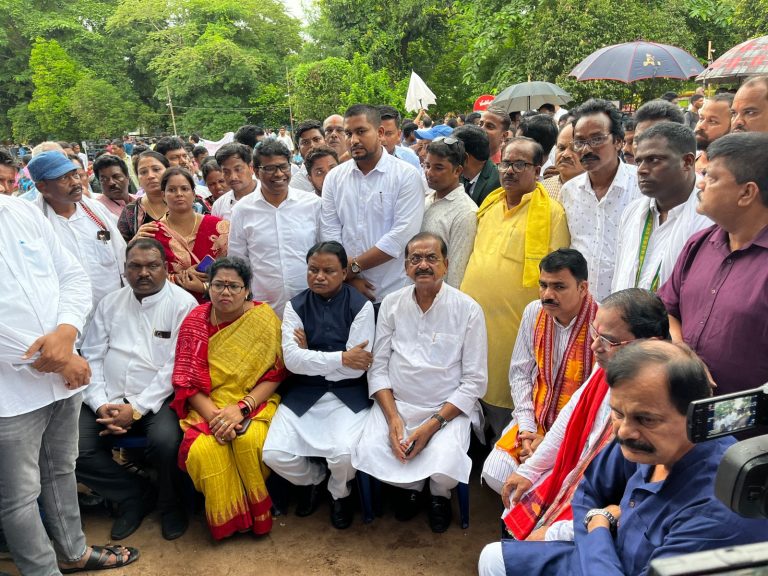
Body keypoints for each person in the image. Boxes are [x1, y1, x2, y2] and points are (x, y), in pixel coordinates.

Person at [478, 340, 768, 576]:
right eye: (617, 413)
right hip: (603, 555)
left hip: (604, 554)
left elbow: (592, 511)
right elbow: (587, 492)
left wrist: (599, 524)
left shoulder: (718, 512)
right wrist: (599, 525)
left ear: (697, 415)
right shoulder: (645, 440)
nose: (625, 431)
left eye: (646, 419)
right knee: (493, 558)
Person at [0, 193, 139, 574]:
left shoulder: (19, 211)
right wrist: (61, 358)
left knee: (62, 469)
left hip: (63, 379)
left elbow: (72, 275)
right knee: (19, 495)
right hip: (9, 393)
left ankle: (73, 552)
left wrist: (67, 330)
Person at [499, 289, 670, 542]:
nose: (594, 346)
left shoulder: (660, 403)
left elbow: (631, 507)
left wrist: (553, 532)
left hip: (606, 520)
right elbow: (570, 417)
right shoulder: (608, 368)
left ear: (649, 344)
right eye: (594, 333)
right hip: (578, 477)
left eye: (609, 341)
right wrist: (530, 471)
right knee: (515, 502)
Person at [352, 232, 488, 533]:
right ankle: (411, 489)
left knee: (445, 459)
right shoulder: (391, 304)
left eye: (431, 258)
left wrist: (431, 426)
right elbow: (378, 368)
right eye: (415, 259)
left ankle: (439, 495)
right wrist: (393, 419)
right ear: (405, 267)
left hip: (446, 410)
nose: (423, 265)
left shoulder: (468, 309)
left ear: (446, 265)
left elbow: (474, 382)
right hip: (397, 405)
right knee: (370, 449)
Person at [77, 239, 197, 541]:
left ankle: (171, 505)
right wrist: (100, 403)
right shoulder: (110, 303)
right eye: (135, 266)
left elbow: (175, 366)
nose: (144, 272)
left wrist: (137, 408)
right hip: (108, 398)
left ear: (165, 268)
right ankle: (134, 494)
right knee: (72, 447)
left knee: (167, 443)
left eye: (152, 265)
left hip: (158, 401)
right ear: (125, 269)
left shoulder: (183, 305)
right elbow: (92, 356)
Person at [461, 138, 570, 438]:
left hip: (513, 332)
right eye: (506, 163)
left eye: (520, 164)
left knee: (506, 407)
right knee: (469, 394)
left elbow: (556, 276)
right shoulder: (490, 204)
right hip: (474, 325)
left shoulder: (551, 213)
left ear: (537, 169)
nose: (510, 170)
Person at [171, 257, 286, 540]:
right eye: (218, 285)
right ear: (208, 287)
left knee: (249, 441)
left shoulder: (263, 318)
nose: (226, 292)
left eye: (234, 286)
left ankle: (257, 511)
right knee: (204, 451)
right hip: (207, 405)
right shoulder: (195, 321)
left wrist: (242, 408)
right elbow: (187, 382)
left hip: (253, 401)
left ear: (246, 290)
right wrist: (218, 419)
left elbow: (276, 373)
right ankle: (230, 519)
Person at [263, 241, 375, 529]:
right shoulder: (295, 306)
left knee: (344, 455)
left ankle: (339, 493)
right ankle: (315, 479)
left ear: (344, 273)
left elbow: (356, 369)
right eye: (313, 270)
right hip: (305, 393)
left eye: (329, 271)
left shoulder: (361, 306)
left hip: (349, 395)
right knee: (274, 454)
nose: (319, 277)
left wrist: (310, 355)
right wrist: (342, 357)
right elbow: (293, 362)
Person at [658, 132, 768, 395]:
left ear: (747, 193)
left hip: (747, 420)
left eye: (712, 177)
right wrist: (682, 352)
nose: (701, 184)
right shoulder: (699, 243)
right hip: (681, 409)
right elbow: (666, 309)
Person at [482, 248, 597, 493]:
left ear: (582, 288)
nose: (547, 295)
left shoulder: (600, 322)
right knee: (494, 473)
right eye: (543, 285)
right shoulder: (534, 312)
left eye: (559, 287)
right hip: (535, 418)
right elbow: (520, 374)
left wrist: (548, 443)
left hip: (578, 430)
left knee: (548, 487)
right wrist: (527, 430)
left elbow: (596, 398)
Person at [321, 104, 425, 304]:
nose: (353, 140)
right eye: (348, 133)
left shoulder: (406, 175)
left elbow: (401, 235)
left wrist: (352, 268)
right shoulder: (334, 178)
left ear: (380, 132)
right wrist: (348, 277)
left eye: (361, 131)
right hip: (346, 291)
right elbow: (329, 230)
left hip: (393, 291)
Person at [612, 123, 711, 293]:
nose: (641, 170)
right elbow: (619, 277)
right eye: (639, 161)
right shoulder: (632, 212)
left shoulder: (710, 220)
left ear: (687, 162)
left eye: (653, 160)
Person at [28, 151, 125, 325]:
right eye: (64, 178)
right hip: (68, 324)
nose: (75, 182)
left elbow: (121, 254)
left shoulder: (97, 211)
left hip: (113, 315)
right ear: (42, 187)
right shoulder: (32, 222)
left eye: (75, 175)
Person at [228, 139, 321, 317]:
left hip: (312, 305)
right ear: (256, 171)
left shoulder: (313, 204)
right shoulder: (242, 210)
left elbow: (326, 251)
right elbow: (238, 261)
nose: (279, 174)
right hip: (264, 309)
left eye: (283, 167)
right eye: (270, 168)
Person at [560, 98, 640, 301]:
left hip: (629, 306)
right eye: (580, 142)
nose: (586, 149)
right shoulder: (569, 192)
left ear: (618, 141)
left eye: (597, 139)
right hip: (582, 306)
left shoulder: (641, 188)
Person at [145, 166, 229, 301]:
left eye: (184, 189)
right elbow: (147, 276)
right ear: (163, 195)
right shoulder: (152, 232)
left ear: (194, 194)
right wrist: (180, 278)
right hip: (173, 305)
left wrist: (204, 287)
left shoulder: (219, 227)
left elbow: (234, 271)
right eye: (172, 190)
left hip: (218, 305)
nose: (179, 194)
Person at [421, 137, 477, 287]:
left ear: (457, 171)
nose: (429, 172)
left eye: (438, 168)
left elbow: (456, 273)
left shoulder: (466, 212)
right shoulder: (427, 200)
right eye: (427, 165)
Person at [117, 150, 169, 242]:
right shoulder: (131, 211)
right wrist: (135, 241)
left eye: (156, 169)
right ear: (138, 179)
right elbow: (120, 246)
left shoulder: (185, 202)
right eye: (143, 172)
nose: (150, 176)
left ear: (168, 171)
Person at [453, 124, 501, 206]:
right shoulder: (457, 176)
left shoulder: (497, 183)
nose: (449, 157)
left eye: (453, 153)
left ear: (465, 157)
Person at [212, 142, 259, 220]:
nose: (233, 177)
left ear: (251, 167)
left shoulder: (271, 196)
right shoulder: (219, 206)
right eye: (226, 172)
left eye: (238, 169)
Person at [540, 122, 585, 202]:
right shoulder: (541, 190)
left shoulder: (598, 193)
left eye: (574, 149)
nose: (565, 154)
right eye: (561, 148)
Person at [694, 93, 733, 173]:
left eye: (713, 121)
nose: (701, 126)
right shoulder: (685, 158)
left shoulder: (732, 172)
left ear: (732, 127)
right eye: (701, 118)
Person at [92, 154, 136, 221]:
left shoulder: (141, 201)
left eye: (116, 177)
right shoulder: (97, 209)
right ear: (99, 183)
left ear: (128, 178)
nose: (111, 183)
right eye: (104, 179)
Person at [379, 105, 422, 170]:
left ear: (398, 135)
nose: (382, 139)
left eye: (388, 134)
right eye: (379, 133)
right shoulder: (362, 159)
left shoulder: (410, 159)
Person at [290, 120, 326, 193]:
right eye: (305, 142)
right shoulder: (295, 186)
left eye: (316, 139)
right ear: (299, 148)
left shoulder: (339, 172)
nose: (312, 145)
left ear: (325, 141)